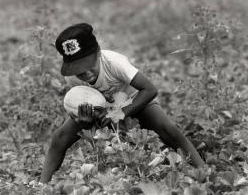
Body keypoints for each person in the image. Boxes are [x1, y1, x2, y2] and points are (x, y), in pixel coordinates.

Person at [40, 23, 204, 183]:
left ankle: (203, 171)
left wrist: (121, 113)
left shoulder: (114, 63)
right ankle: (41, 185)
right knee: (60, 137)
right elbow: (79, 104)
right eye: (79, 71)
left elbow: (149, 90)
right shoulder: (71, 76)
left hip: (133, 103)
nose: (86, 74)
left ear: (98, 52)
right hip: (102, 112)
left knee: (167, 129)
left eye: (88, 66)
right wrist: (83, 120)